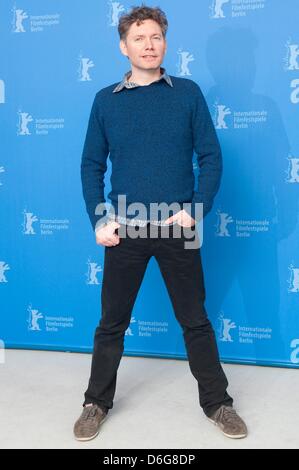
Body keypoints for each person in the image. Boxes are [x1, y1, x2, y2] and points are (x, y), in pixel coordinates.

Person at [74, 4, 247, 441]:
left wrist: (196, 208)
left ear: (165, 42)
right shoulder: (104, 102)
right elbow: (91, 165)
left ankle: (218, 403)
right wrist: (100, 220)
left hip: (178, 227)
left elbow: (211, 157)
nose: (148, 45)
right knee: (112, 323)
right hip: (126, 227)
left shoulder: (187, 94)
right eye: (139, 38)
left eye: (155, 37)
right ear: (123, 47)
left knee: (195, 320)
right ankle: (95, 402)